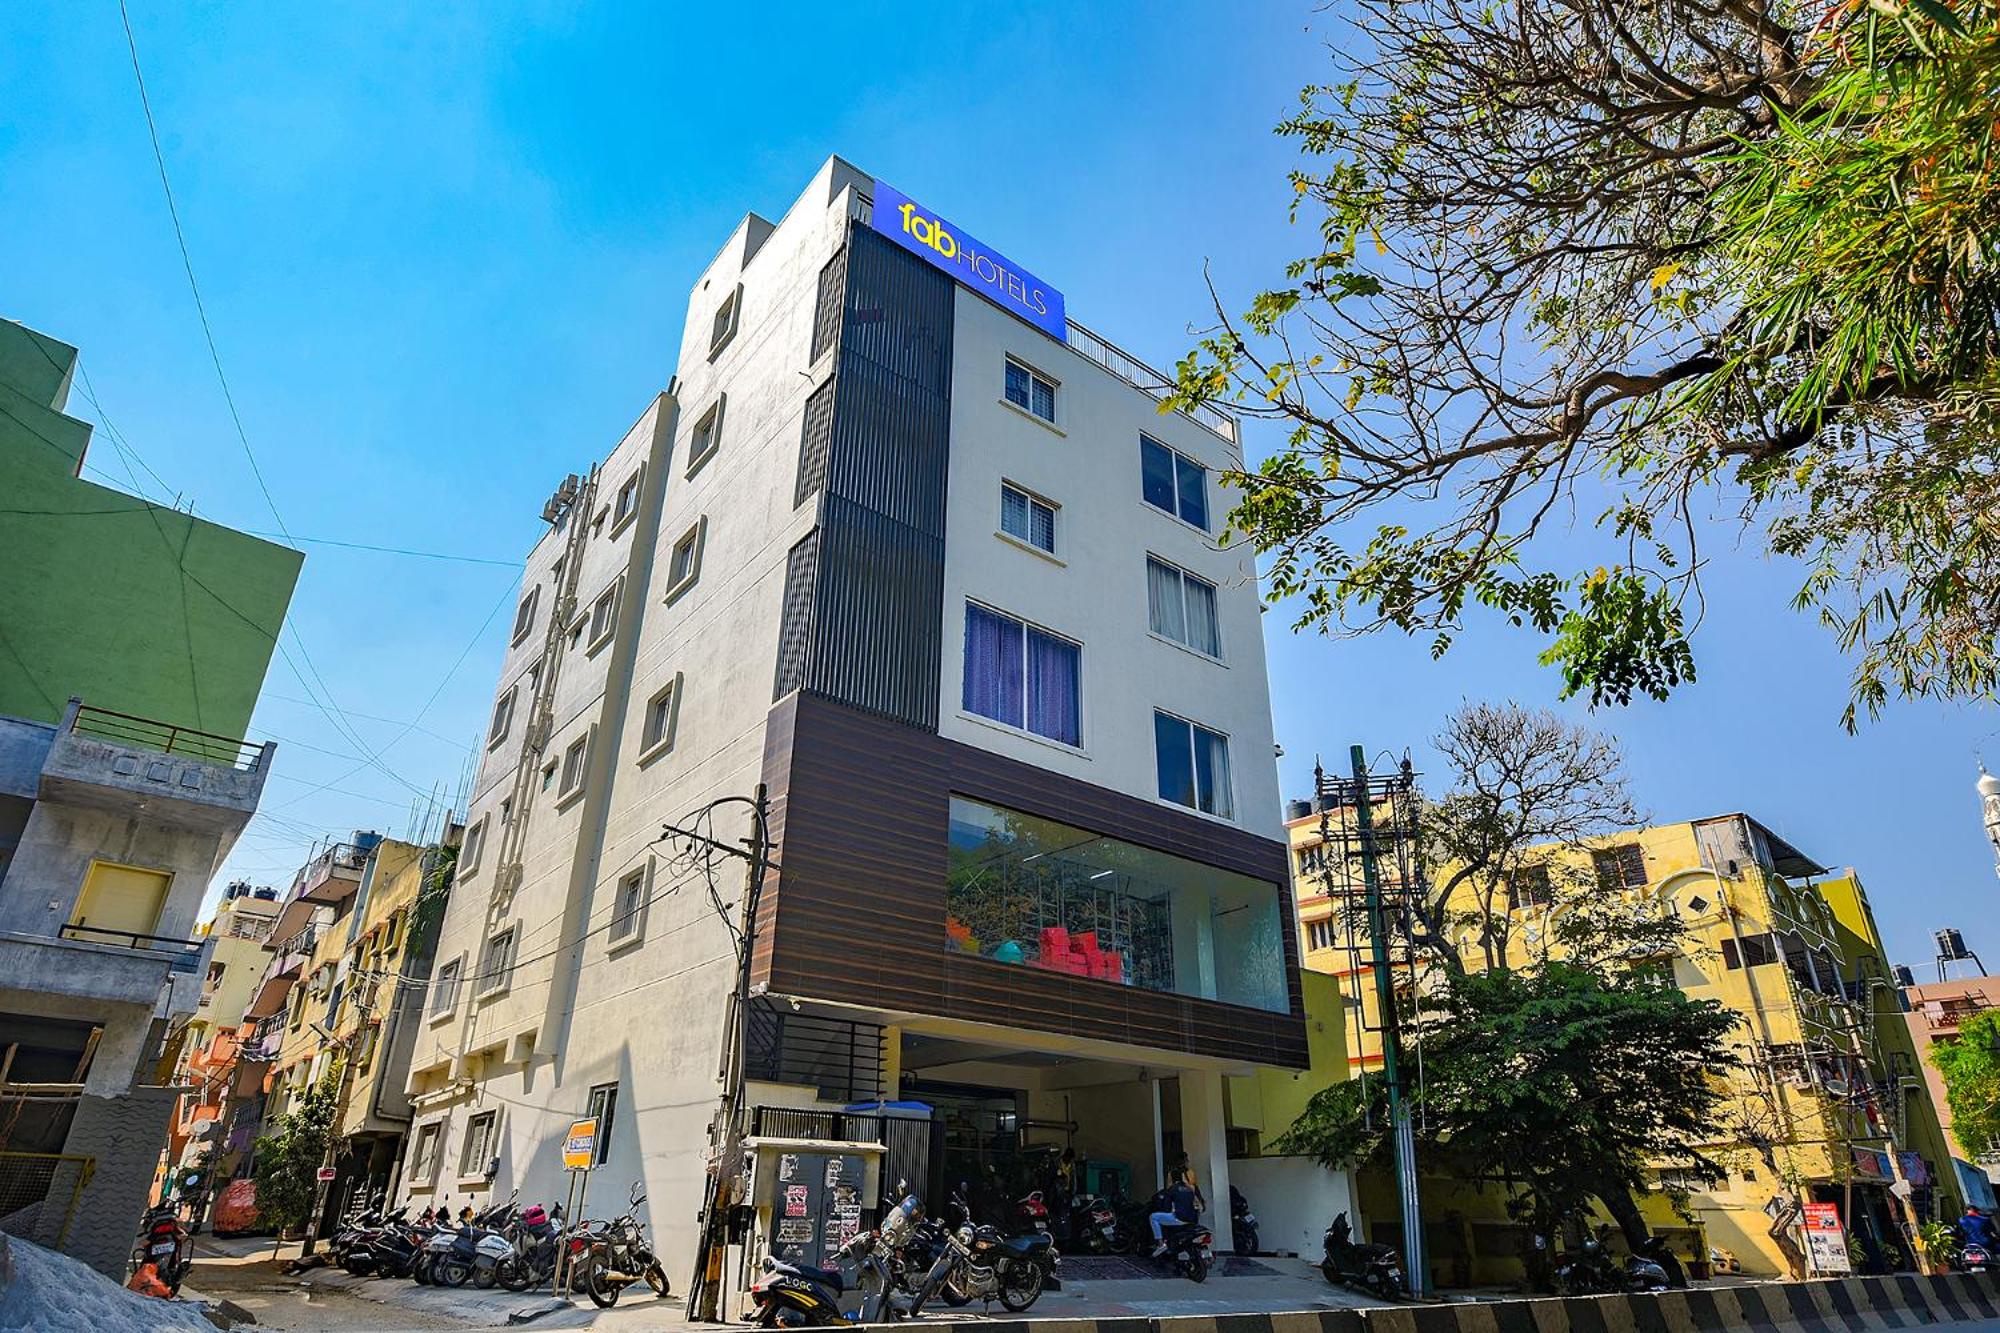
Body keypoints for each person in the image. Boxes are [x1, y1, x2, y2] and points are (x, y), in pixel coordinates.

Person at [1149, 1176, 1199, 1256]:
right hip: (1192, 1219)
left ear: (1172, 1180)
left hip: (1179, 1218)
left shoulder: (1173, 1188)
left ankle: (1160, 1244)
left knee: (1153, 1217)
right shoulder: (1189, 1189)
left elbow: (1166, 1206)